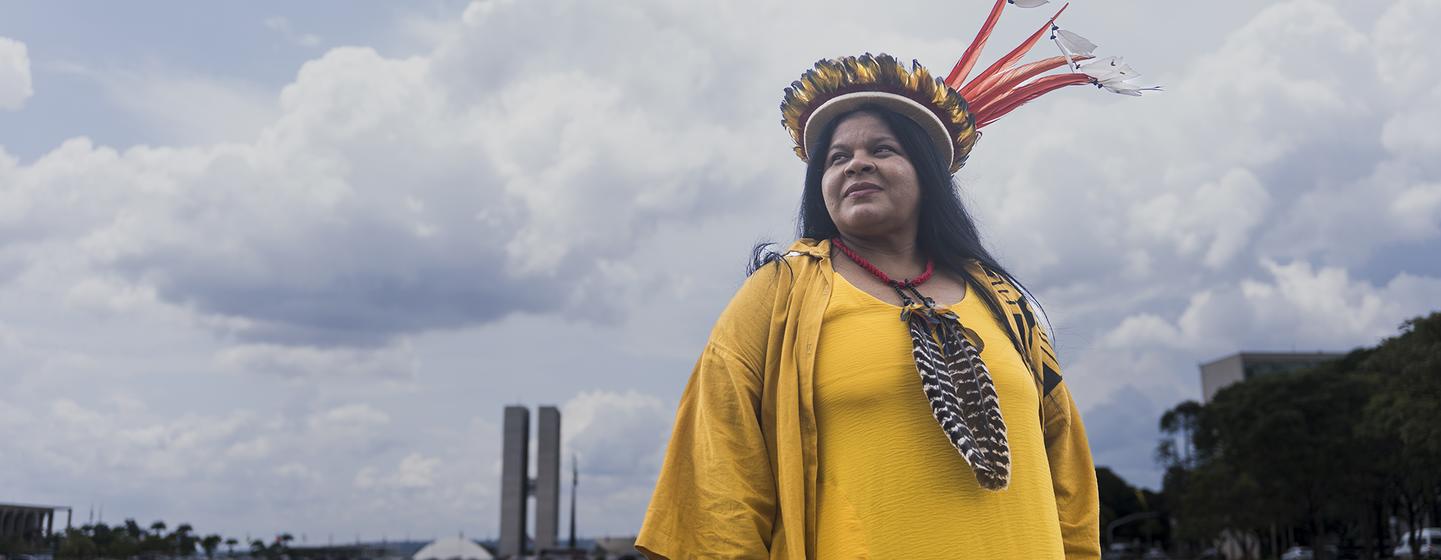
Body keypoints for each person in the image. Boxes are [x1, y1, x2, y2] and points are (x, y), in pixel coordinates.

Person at [636, 1, 1156, 558]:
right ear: (821, 186)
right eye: (837, 157)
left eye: (881, 149)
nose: (856, 164)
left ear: (927, 177)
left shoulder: (1004, 303)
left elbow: (1069, 479)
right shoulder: (780, 293)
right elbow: (720, 475)